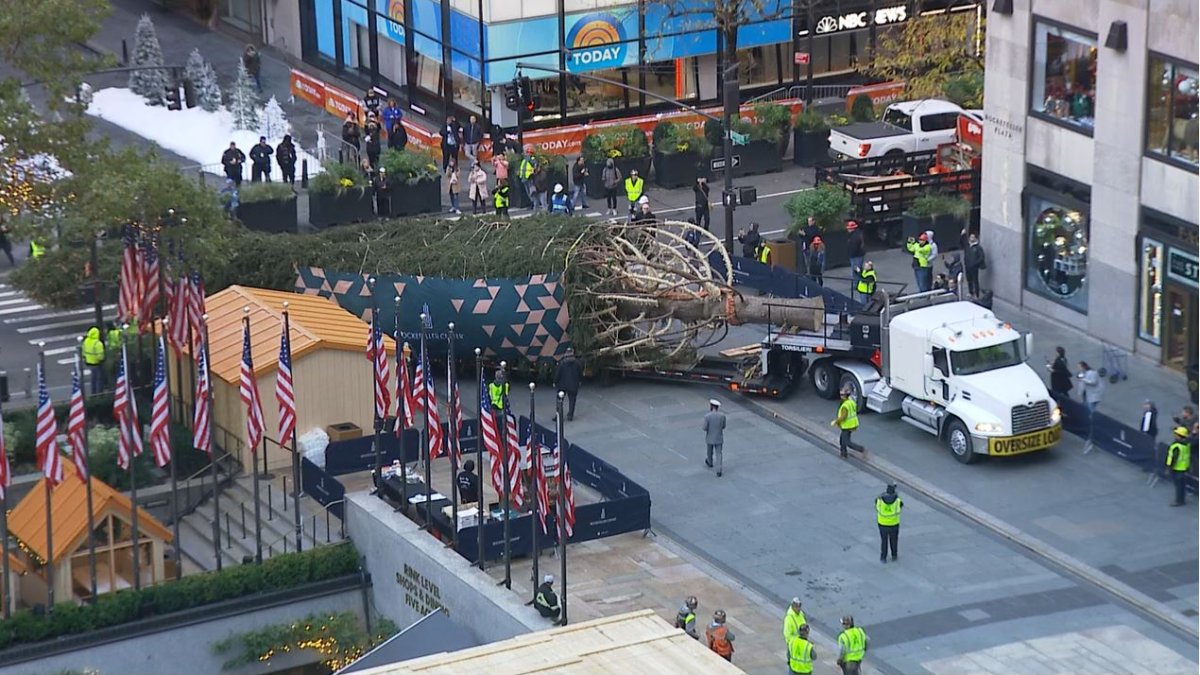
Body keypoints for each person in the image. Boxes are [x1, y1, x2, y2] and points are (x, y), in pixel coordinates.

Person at [833, 387, 866, 459]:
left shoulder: (845, 405)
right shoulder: (851, 402)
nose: (840, 396)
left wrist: (836, 421)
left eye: (842, 395)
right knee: (842, 439)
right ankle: (843, 454)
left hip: (847, 426)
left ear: (845, 395)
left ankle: (861, 449)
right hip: (852, 424)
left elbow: (843, 417)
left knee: (847, 442)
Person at [876, 483, 902, 563]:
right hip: (894, 524)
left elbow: (876, 506)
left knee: (884, 541)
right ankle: (894, 555)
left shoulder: (879, 500)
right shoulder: (897, 501)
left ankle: (883, 557)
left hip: (882, 523)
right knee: (894, 540)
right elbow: (900, 507)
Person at [554, 347, 582, 420]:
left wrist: (555, 382)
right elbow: (580, 373)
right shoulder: (577, 363)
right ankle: (570, 415)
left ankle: (558, 415)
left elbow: (558, 374)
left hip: (562, 385)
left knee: (559, 400)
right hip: (573, 385)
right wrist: (580, 381)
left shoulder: (562, 363)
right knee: (572, 400)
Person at [1167, 426, 1192, 506]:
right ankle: (1182, 499)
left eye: (1176, 434)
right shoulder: (1187, 444)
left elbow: (1173, 458)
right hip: (1184, 467)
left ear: (1179, 435)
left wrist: (1169, 468)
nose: (1175, 435)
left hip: (1177, 468)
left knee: (1178, 485)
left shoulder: (1177, 446)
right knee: (1182, 485)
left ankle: (1178, 501)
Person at [703, 398, 726, 477]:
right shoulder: (722, 416)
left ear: (711, 406)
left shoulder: (707, 416)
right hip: (719, 437)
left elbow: (704, 428)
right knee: (719, 453)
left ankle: (710, 462)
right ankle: (719, 470)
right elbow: (723, 426)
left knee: (709, 451)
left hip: (710, 437)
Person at [82, 326, 106, 394]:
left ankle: (93, 393)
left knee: (93, 379)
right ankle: (100, 394)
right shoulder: (98, 343)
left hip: (89, 362)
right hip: (97, 363)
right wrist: (102, 359)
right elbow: (100, 356)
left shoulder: (86, 341)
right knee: (99, 379)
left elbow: (83, 352)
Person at [963, 233, 987, 297]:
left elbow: (981, 257)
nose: (971, 238)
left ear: (976, 238)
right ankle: (970, 292)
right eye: (971, 237)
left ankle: (977, 294)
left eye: (973, 237)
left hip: (974, 267)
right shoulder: (968, 246)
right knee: (969, 280)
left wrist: (975, 263)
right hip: (967, 266)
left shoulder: (978, 248)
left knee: (975, 281)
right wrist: (963, 235)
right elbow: (962, 242)